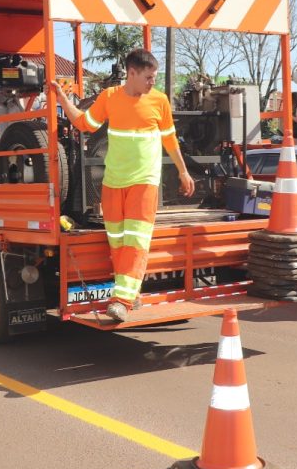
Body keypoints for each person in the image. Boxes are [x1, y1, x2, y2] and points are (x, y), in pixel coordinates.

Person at [50, 48, 195, 322]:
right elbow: (83, 123)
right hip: (113, 182)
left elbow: (170, 141)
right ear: (131, 73)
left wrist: (183, 172)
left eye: (155, 77)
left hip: (145, 182)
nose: (153, 82)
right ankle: (132, 290)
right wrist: (63, 99)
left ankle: (121, 301)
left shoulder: (159, 101)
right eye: (149, 77)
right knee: (117, 242)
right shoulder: (110, 98)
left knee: (136, 241)